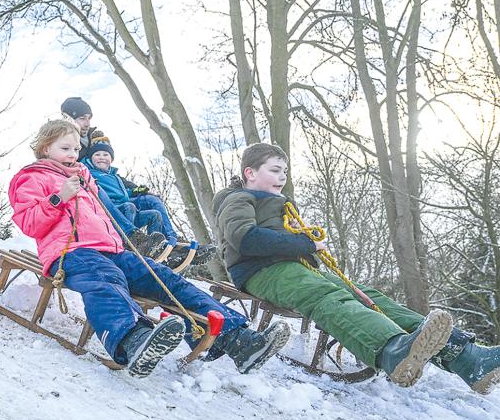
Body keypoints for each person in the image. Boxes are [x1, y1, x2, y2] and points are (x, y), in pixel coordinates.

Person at [9, 119, 290, 377]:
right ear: (45, 148)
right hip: (72, 254)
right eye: (65, 148)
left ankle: (237, 340)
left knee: (166, 279)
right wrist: (58, 198)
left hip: (113, 250)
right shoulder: (32, 177)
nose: (73, 153)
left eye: (75, 148)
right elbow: (29, 223)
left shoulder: (84, 177)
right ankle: (133, 340)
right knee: (106, 281)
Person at [213, 143, 500, 394]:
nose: (282, 177)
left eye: (285, 171)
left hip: (295, 269)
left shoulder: (278, 204)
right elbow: (245, 239)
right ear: (250, 173)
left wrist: (305, 247)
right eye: (275, 170)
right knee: (324, 295)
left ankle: (467, 358)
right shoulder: (238, 199)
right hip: (261, 272)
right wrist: (304, 244)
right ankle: (391, 349)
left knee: (370, 296)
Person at [81, 140, 217, 268]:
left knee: (155, 215)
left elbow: (123, 193)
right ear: (90, 158)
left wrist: (136, 191)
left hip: (127, 209)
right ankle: (129, 244)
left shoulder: (115, 176)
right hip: (112, 213)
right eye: (97, 154)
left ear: (111, 159)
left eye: (106, 154)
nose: (101, 157)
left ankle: (160, 246)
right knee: (130, 206)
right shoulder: (89, 172)